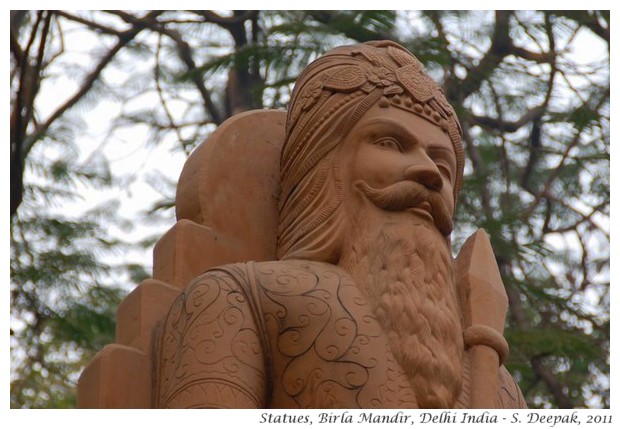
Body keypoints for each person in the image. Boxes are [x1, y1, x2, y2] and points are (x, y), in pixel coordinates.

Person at [156, 41, 526, 409]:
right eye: (390, 142)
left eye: (443, 166)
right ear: (323, 166)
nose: (429, 173)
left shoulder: (493, 379)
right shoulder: (238, 298)